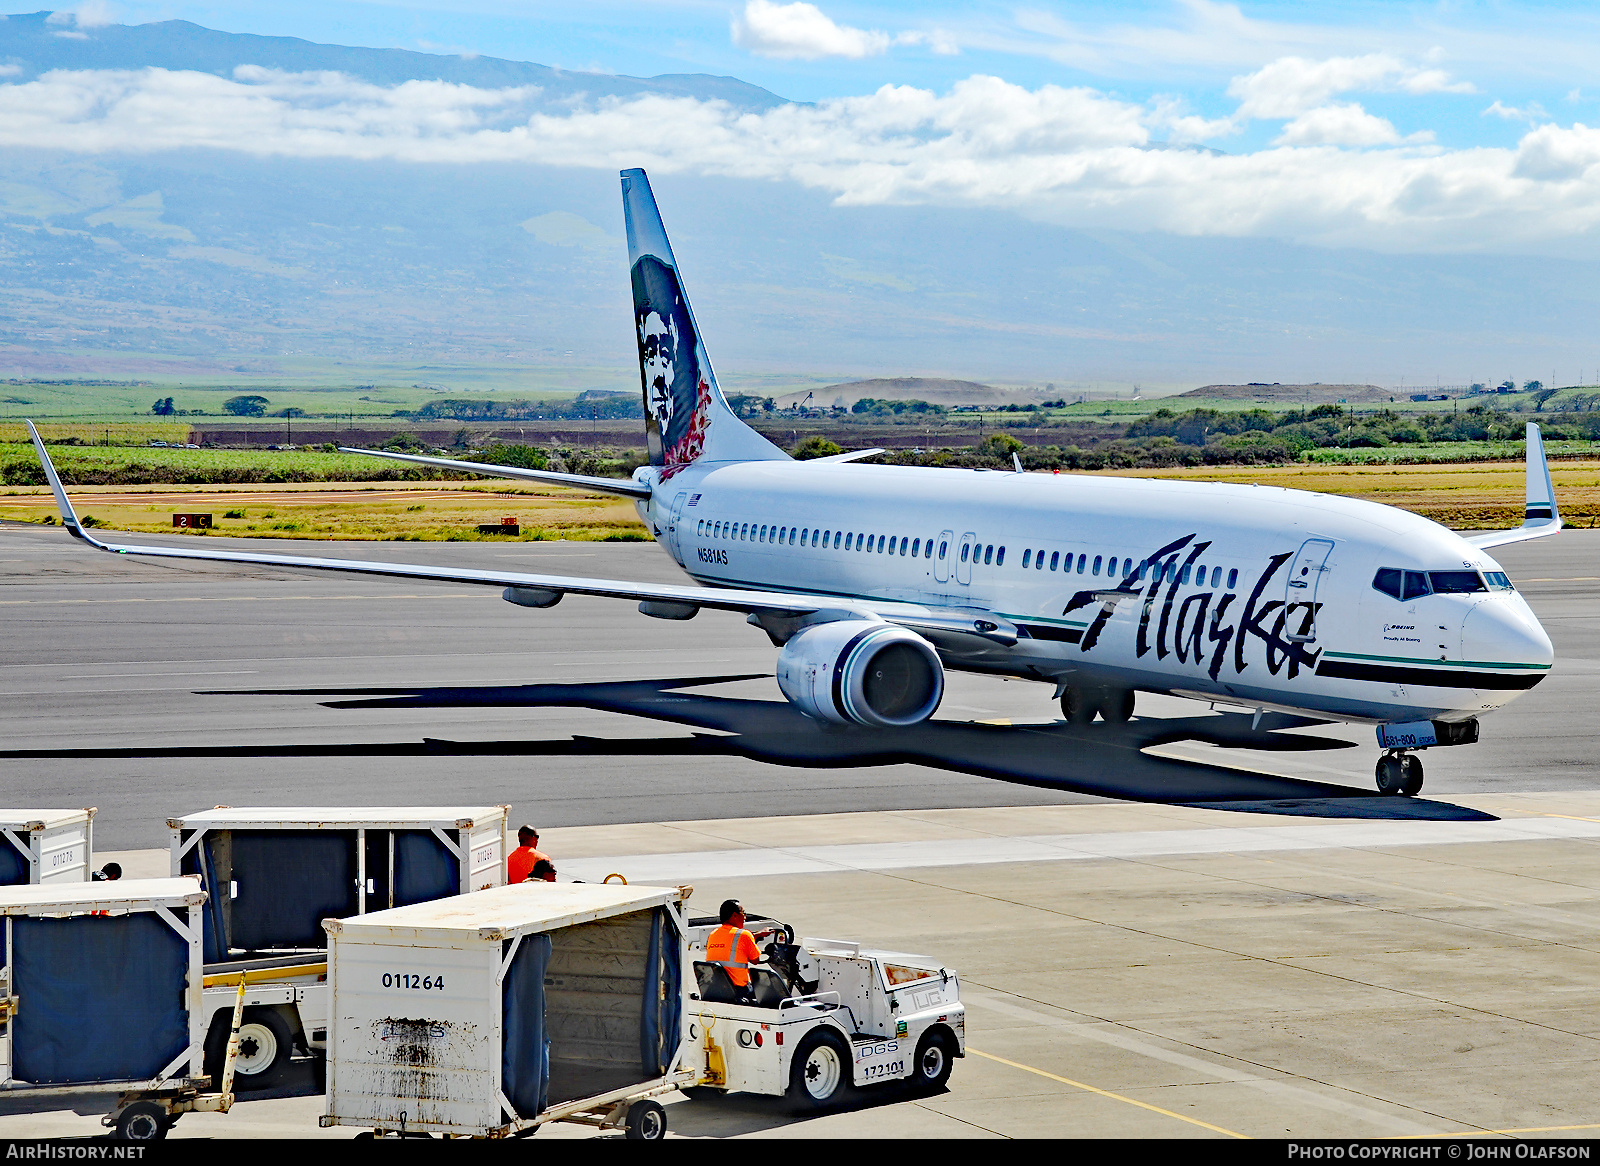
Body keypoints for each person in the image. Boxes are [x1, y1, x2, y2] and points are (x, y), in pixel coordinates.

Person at [706, 899, 777, 1001]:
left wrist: (756, 935)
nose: (745, 918)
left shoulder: (712, 934)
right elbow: (755, 960)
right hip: (739, 991)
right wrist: (753, 939)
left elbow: (731, 942)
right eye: (743, 913)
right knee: (771, 995)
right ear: (734, 916)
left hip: (717, 989)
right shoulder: (744, 935)